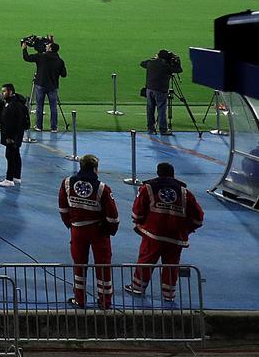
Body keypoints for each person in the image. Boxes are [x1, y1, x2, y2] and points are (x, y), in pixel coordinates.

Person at [126, 162, 204, 301]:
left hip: (153, 234)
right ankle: (169, 294)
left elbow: (137, 212)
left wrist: (142, 224)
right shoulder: (185, 193)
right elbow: (198, 218)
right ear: (173, 174)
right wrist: (186, 230)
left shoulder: (148, 188)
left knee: (146, 260)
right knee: (171, 265)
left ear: (158, 173)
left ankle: (138, 287)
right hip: (176, 237)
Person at [60, 153, 120, 308]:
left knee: (79, 265)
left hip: (77, 231)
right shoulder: (102, 188)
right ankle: (105, 301)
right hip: (98, 232)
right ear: (95, 169)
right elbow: (113, 216)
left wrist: (71, 224)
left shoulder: (67, 183)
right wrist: (108, 230)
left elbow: (63, 208)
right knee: (103, 266)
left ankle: (79, 299)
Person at [23, 37, 68, 132]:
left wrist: (24, 49)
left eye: (48, 45)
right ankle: (54, 127)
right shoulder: (60, 61)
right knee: (53, 107)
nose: (46, 46)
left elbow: (27, 58)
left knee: (39, 106)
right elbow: (64, 74)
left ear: (50, 49)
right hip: (53, 86)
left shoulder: (41, 57)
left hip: (40, 84)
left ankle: (39, 126)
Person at [0, 81, 30, 187]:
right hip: (17, 135)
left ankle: (9, 179)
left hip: (12, 136)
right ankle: (17, 176)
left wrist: (9, 136)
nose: (2, 94)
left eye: (4, 91)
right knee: (16, 155)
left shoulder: (12, 105)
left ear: (10, 92)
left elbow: (11, 122)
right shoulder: (17, 103)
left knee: (10, 155)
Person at [141, 50, 175, 135]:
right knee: (161, 110)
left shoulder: (150, 63)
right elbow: (178, 70)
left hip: (149, 89)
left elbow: (142, 63)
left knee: (150, 109)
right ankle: (163, 130)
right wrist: (176, 62)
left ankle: (150, 129)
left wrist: (154, 59)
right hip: (160, 90)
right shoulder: (166, 66)